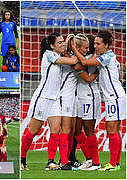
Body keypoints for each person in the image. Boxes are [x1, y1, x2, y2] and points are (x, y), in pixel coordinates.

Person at [20, 32, 79, 171]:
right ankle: (22, 159)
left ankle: (50, 162)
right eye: (59, 42)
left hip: (55, 99)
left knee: (56, 130)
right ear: (52, 45)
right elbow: (73, 61)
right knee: (34, 130)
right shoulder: (49, 55)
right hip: (43, 97)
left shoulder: (59, 56)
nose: (63, 44)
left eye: (63, 41)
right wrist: (76, 50)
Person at [71, 30, 125, 171]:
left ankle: (113, 164)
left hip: (114, 97)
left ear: (107, 45)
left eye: (98, 43)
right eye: (94, 43)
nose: (95, 46)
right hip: (112, 97)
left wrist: (74, 49)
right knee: (114, 130)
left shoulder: (106, 57)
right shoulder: (107, 56)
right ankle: (115, 163)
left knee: (112, 130)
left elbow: (83, 62)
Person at [66, 33, 101, 170]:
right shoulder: (77, 58)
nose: (88, 50)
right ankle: (89, 159)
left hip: (89, 96)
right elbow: (76, 65)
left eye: (88, 48)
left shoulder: (89, 58)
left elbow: (86, 77)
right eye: (85, 48)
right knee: (76, 131)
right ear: (78, 47)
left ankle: (95, 162)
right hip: (80, 97)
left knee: (89, 131)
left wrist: (96, 73)